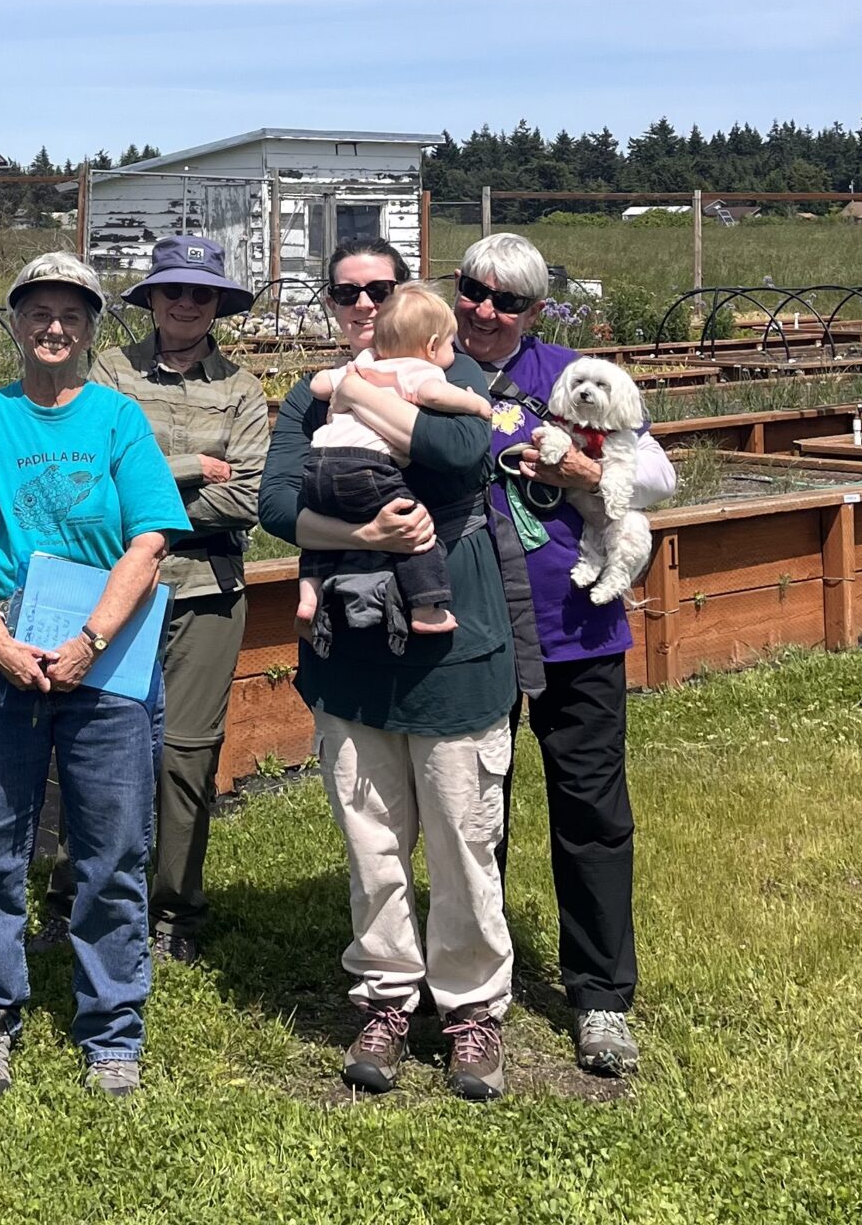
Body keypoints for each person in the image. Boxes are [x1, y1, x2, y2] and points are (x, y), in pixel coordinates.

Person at [258, 235, 519, 1103]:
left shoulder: (456, 371)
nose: (364, 306)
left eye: (381, 289)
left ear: (407, 295)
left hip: (455, 649)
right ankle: (385, 995)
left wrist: (365, 393)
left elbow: (459, 459)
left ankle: (472, 1006)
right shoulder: (308, 392)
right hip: (351, 647)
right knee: (372, 841)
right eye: (346, 293)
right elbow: (277, 506)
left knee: (461, 838)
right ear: (331, 303)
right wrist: (361, 536)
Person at [0, 251, 186, 1097]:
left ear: (90, 326)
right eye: (38, 311)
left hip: (105, 671)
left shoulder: (118, 421)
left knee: (113, 852)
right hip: (3, 663)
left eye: (71, 313)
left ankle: (112, 1028)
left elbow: (150, 537)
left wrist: (90, 641)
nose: (54, 327)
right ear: (18, 323)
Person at [454, 230, 676, 1080]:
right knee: (476, 810)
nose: (486, 310)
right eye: (475, 290)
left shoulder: (574, 374)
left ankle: (600, 998)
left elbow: (655, 473)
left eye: (508, 301)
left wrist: (584, 475)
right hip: (470, 627)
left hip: (575, 627)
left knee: (590, 809)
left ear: (534, 311)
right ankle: (478, 988)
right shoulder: (434, 368)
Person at [41, 234, 268, 965]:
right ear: (152, 299)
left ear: (217, 305)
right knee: (96, 743)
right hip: (116, 589)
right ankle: (74, 895)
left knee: (185, 755)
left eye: (201, 293)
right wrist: (188, 469)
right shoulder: (108, 372)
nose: (186, 302)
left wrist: (145, 493)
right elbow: (89, 476)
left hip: (205, 590)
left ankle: (173, 909)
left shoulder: (241, 389)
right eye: (173, 290)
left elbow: (249, 498)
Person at [296, 283, 490, 645]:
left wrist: (348, 388)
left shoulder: (364, 364)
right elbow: (433, 395)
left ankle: (309, 594)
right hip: (368, 465)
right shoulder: (422, 369)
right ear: (432, 346)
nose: (453, 352)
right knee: (415, 528)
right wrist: (476, 405)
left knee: (326, 521)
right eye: (449, 344)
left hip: (319, 462)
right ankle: (426, 609)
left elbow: (320, 385)